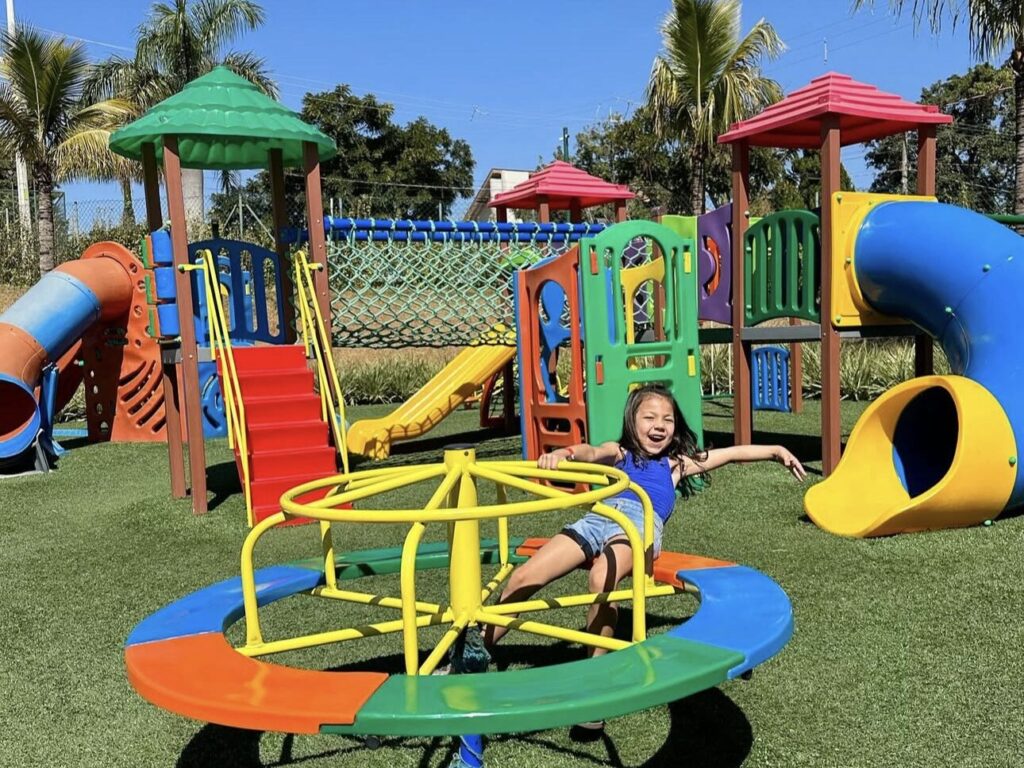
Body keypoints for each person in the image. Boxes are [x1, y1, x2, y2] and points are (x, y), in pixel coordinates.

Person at [483, 383, 805, 733]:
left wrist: (776, 450)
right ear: (632, 421)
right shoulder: (619, 453)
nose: (659, 426)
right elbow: (591, 451)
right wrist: (565, 454)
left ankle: (595, 688)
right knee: (524, 577)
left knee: (601, 577)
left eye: (667, 419)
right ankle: (475, 654)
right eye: (649, 417)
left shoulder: (675, 465)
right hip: (598, 518)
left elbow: (729, 453)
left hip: (638, 526)